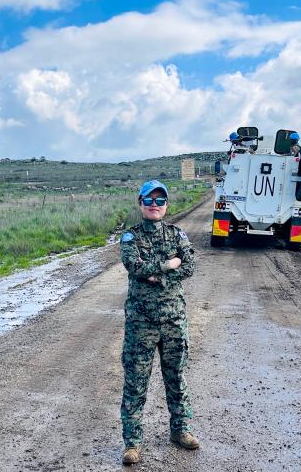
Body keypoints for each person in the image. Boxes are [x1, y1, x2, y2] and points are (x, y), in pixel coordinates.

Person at [119, 180, 198, 465]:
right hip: (142, 323)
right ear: (140, 204)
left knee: (176, 378)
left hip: (174, 321)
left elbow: (189, 265)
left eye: (160, 200)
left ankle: (181, 430)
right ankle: (132, 444)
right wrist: (169, 264)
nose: (155, 205)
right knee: (136, 382)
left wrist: (158, 273)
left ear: (166, 205)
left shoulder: (178, 235)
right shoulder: (131, 237)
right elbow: (135, 267)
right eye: (149, 200)